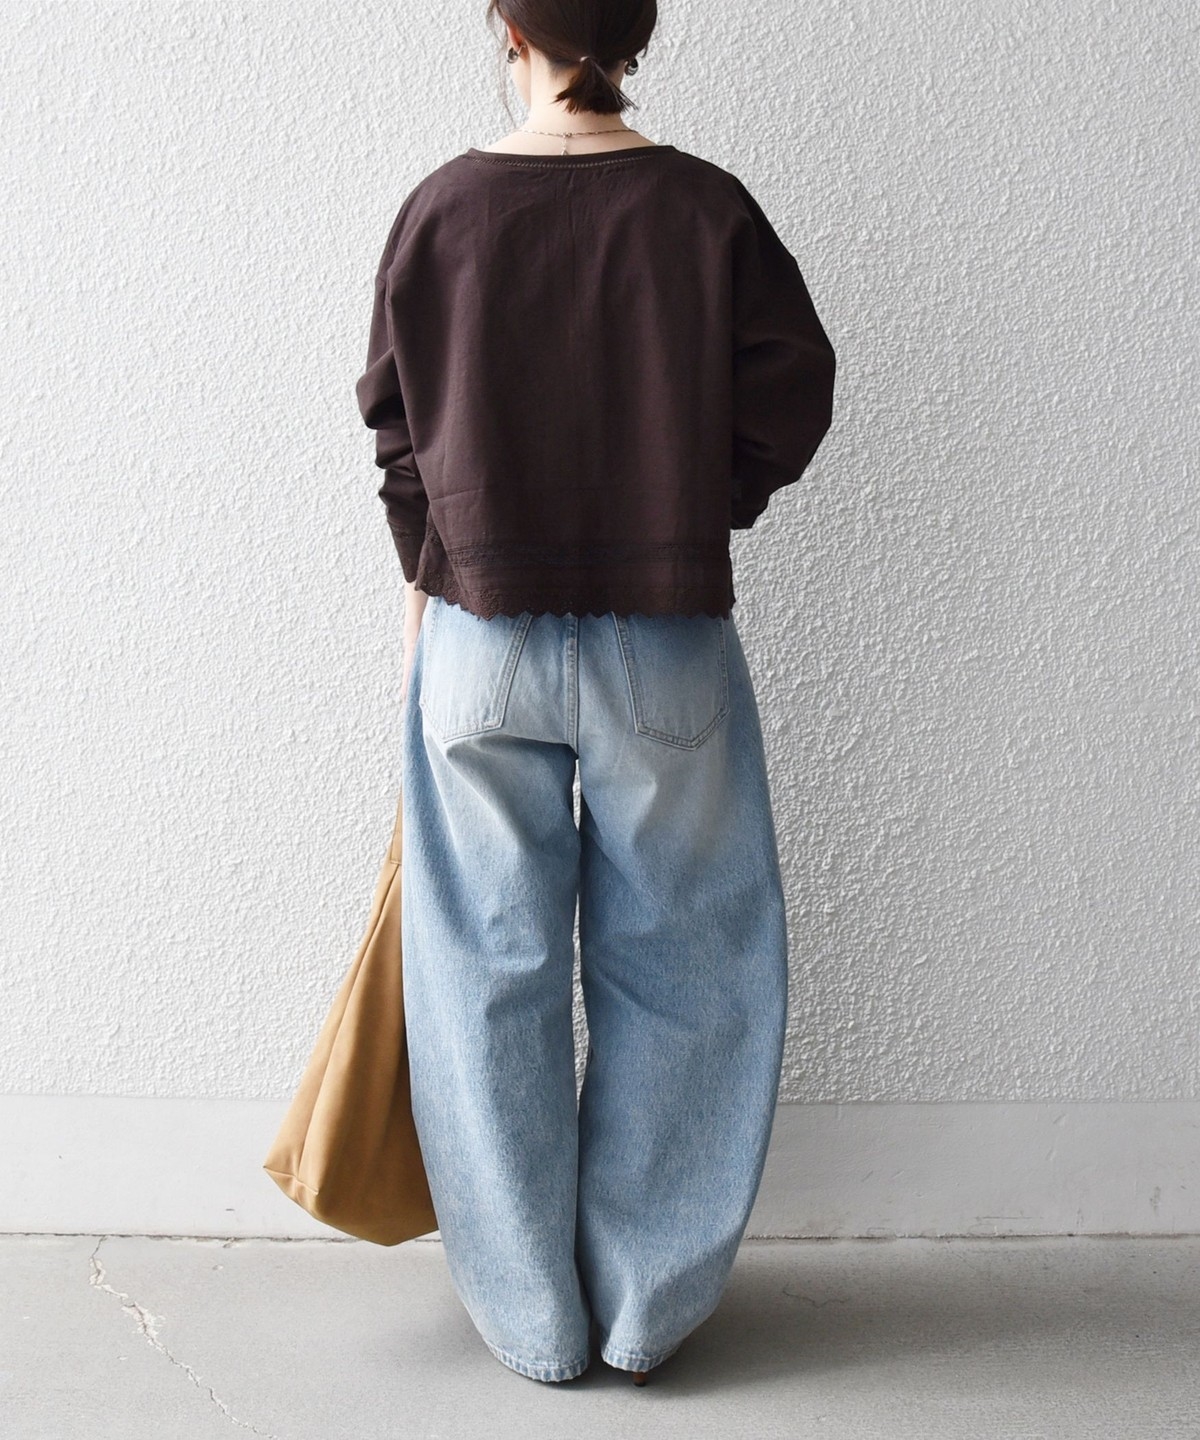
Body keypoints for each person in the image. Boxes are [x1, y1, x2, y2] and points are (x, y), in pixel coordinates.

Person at [355, 0, 836, 1388]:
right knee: (688, 965)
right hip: (663, 632)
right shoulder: (706, 211)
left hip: (475, 632)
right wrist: (690, 504)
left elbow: (395, 428)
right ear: (634, 35)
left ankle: (531, 1321)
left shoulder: (440, 212)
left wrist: (424, 578)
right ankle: (643, 1309)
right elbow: (794, 393)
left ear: (504, 26)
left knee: (482, 972)